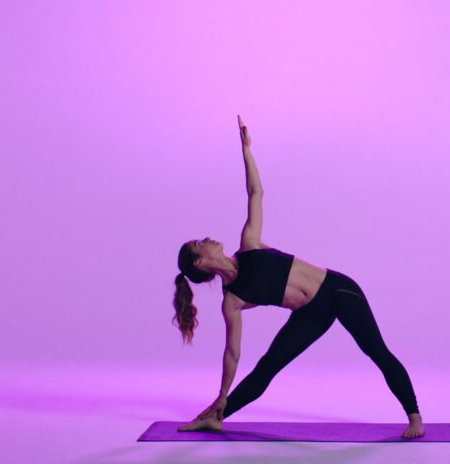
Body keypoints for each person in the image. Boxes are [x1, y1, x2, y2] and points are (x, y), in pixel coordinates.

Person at [172, 115, 425, 439]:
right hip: (309, 314)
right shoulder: (232, 301)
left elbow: (256, 192)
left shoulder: (249, 245)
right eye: (200, 243)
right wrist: (222, 392)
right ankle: (217, 414)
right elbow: (232, 353)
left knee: (375, 350)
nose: (207, 238)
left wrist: (246, 150)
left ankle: (415, 416)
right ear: (200, 262)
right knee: (267, 367)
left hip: (337, 290)